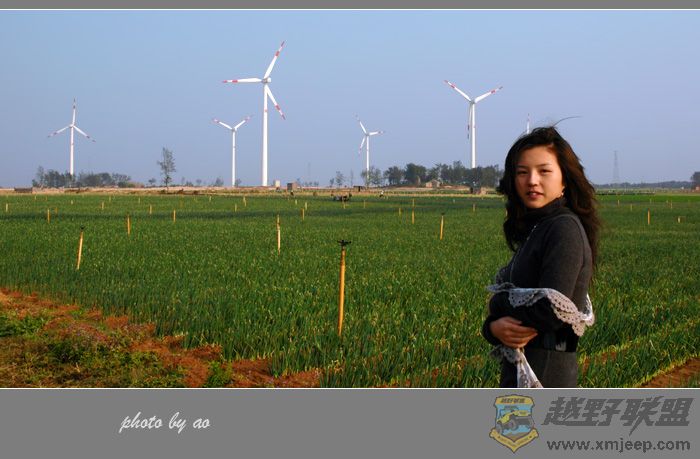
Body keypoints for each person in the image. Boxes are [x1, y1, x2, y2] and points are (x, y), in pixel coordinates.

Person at [481, 126, 601, 388]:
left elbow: (552, 310)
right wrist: (492, 328)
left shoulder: (563, 228)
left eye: (544, 171)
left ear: (564, 179)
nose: (532, 180)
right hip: (525, 371)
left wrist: (498, 304)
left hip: (546, 377)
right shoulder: (540, 226)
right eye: (522, 172)